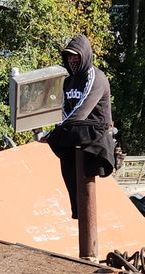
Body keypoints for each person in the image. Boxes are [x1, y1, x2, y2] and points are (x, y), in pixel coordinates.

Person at [48, 34, 115, 220]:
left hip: (97, 133)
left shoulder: (96, 77)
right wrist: (56, 129)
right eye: (69, 57)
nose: (72, 60)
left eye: (75, 56)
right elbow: (63, 111)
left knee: (59, 137)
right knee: (66, 160)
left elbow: (81, 111)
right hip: (77, 132)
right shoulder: (68, 82)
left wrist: (59, 131)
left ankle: (87, 214)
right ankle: (78, 210)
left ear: (84, 55)